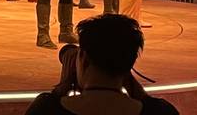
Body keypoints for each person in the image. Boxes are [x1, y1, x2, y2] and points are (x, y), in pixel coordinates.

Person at [25, 14, 179, 115]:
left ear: (84, 59)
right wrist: (137, 90)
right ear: (129, 65)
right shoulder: (160, 112)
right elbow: (155, 108)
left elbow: (46, 107)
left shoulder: (46, 109)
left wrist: (61, 88)